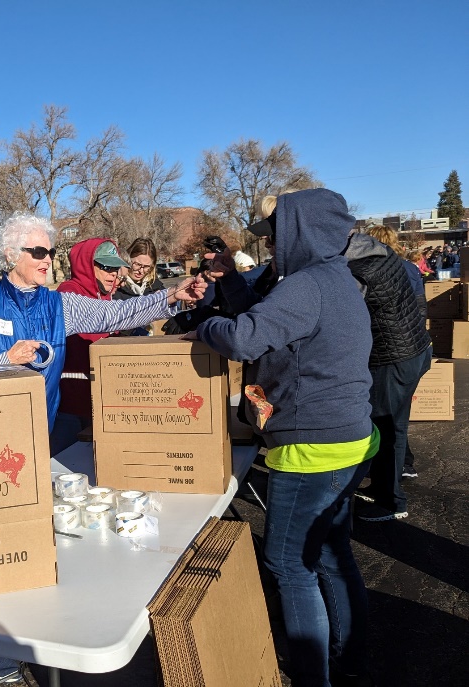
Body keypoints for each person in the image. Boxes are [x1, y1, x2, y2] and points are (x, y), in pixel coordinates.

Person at [0, 213, 206, 682]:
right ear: (11, 255)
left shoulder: (59, 305)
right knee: (4, 548)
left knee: (35, 543)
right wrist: (6, 358)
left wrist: (170, 295)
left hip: (35, 444)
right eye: (38, 252)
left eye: (52, 251)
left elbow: (117, 314)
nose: (49, 260)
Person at [194, 189, 378, 687]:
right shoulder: (332, 280)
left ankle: (310, 676)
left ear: (301, 231)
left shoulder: (306, 286)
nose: (271, 245)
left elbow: (244, 337)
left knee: (289, 565)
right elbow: (273, 322)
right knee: (331, 552)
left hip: (312, 446)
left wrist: (206, 327)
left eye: (276, 234)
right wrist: (231, 280)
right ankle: (353, 658)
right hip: (348, 437)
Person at [346, 226, 431, 508]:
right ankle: (396, 477)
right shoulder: (391, 260)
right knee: (394, 424)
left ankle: (389, 500)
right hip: (411, 349)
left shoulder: (359, 269)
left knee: (385, 426)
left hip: (392, 356)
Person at [54, 237, 131, 445]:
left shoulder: (106, 298)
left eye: (115, 269)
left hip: (100, 405)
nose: (112, 274)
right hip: (70, 408)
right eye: (106, 267)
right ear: (87, 265)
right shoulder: (69, 292)